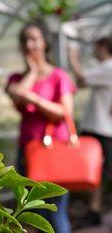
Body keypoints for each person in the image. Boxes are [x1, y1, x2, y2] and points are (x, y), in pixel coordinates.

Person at [5, 22, 76, 233]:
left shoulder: (59, 76)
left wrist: (35, 99)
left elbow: (65, 112)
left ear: (45, 43)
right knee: (34, 213)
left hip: (56, 150)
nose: (29, 44)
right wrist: (34, 72)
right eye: (25, 39)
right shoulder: (17, 78)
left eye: (34, 38)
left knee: (56, 212)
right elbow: (16, 94)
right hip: (28, 150)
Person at [68, 36, 112, 227]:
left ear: (103, 47)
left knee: (104, 172)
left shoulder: (108, 67)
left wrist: (73, 56)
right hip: (100, 128)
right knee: (97, 173)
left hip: (102, 130)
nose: (94, 51)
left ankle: (95, 210)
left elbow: (81, 79)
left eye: (96, 46)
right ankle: (94, 211)